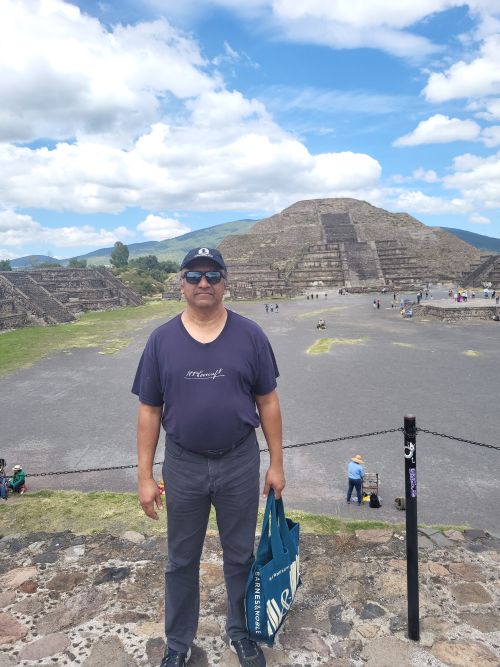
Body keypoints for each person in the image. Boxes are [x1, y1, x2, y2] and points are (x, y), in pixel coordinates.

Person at [132, 247, 285, 667]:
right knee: (181, 558)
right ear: (181, 283)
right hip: (183, 463)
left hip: (239, 460)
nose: (204, 283)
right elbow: (149, 410)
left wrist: (276, 463)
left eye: (213, 275)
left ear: (226, 282)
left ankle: (241, 632)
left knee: (240, 555)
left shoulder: (250, 335)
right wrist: (145, 476)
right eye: (195, 276)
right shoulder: (161, 340)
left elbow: (268, 401)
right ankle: (178, 643)